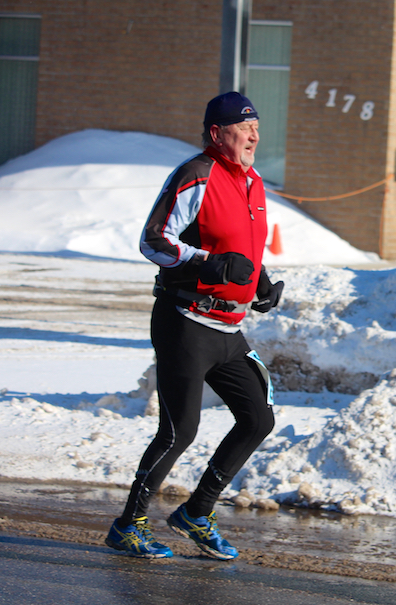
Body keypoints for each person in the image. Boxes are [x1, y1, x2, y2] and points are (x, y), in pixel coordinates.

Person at [105, 92, 284, 560]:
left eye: (256, 127)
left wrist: (260, 282)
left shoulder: (254, 182)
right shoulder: (196, 175)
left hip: (227, 328)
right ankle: (128, 525)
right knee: (179, 431)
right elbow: (153, 241)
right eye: (244, 128)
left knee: (258, 418)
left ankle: (196, 513)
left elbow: (242, 248)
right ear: (217, 133)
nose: (254, 136)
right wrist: (210, 264)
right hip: (185, 322)